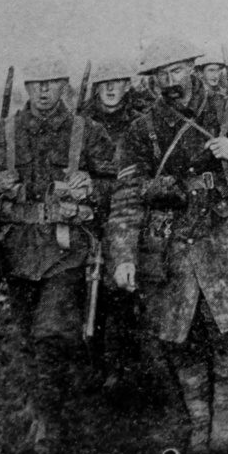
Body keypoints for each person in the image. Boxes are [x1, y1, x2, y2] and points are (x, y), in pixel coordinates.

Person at [108, 36, 228, 454]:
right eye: (160, 75)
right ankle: (198, 417)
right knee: (178, 336)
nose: (169, 81)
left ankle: (224, 414)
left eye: (176, 70)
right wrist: (122, 256)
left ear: (193, 69)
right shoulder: (142, 129)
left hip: (224, 239)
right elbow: (125, 197)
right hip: (169, 243)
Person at [0, 56, 117, 454]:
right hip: (17, 250)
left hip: (66, 250)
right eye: (36, 84)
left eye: (51, 82)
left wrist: (90, 187)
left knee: (51, 333)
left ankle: (49, 421)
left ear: (64, 84)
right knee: (31, 335)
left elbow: (114, 184)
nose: (44, 91)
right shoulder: (2, 132)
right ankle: (43, 399)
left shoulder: (88, 132)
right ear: (26, 88)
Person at [80, 58, 150, 393]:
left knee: (126, 294)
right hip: (89, 218)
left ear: (127, 85)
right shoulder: (80, 124)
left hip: (129, 216)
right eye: (103, 82)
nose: (110, 88)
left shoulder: (140, 123)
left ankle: (125, 366)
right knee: (87, 293)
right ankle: (93, 362)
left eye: (117, 81)